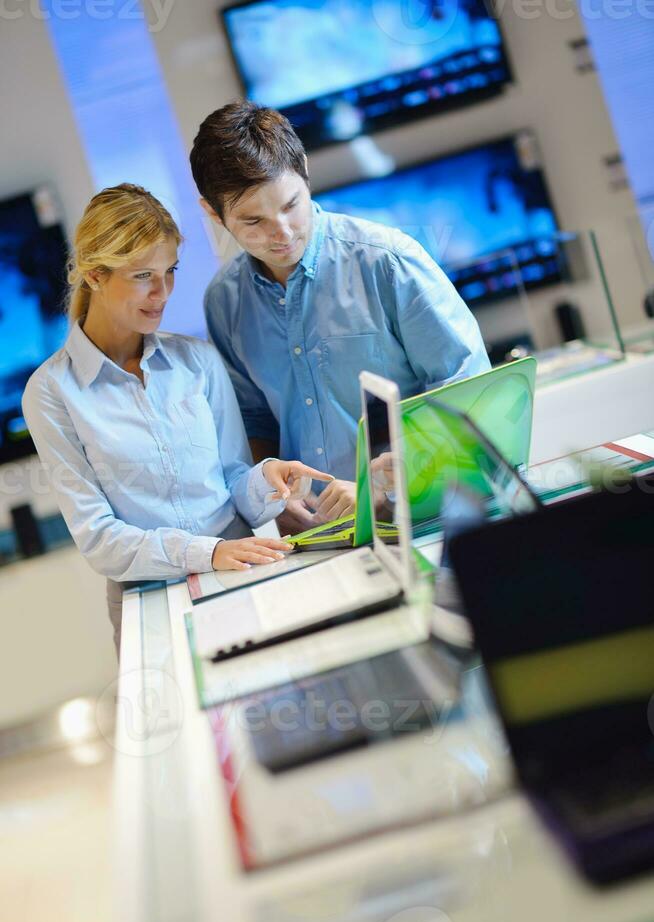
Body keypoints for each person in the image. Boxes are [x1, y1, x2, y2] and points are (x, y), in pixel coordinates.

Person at [22, 184, 332, 652]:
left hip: (242, 569)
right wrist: (209, 553)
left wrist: (267, 477)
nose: (162, 292)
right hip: (151, 599)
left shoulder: (198, 361)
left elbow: (231, 480)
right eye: (143, 275)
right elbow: (100, 538)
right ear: (95, 275)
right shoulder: (51, 393)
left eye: (169, 272)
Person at [190, 101, 490, 535]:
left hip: (430, 526)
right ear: (214, 214)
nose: (283, 233)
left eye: (291, 205)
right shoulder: (224, 302)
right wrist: (271, 492)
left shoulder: (387, 262)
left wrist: (382, 488)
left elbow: (467, 397)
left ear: (306, 170)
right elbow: (254, 424)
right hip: (318, 539)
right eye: (253, 220)